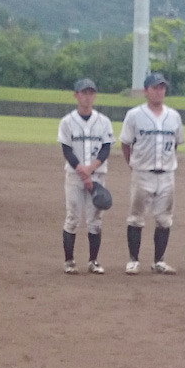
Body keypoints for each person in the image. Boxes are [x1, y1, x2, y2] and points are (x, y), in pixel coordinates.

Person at [120, 71, 184, 275]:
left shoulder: (173, 116)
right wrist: (133, 164)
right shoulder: (134, 115)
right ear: (146, 91)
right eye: (155, 88)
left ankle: (159, 261)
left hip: (166, 174)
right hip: (142, 173)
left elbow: (176, 144)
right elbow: (126, 143)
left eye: (162, 88)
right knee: (136, 218)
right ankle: (133, 260)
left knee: (164, 219)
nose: (159, 91)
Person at [58, 78, 115, 275]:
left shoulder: (103, 122)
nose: (87, 97)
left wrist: (91, 168)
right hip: (74, 176)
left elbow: (106, 148)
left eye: (91, 93)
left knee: (95, 220)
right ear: (76, 95)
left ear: (94, 96)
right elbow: (66, 150)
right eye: (84, 93)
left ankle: (93, 261)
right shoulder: (67, 122)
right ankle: (69, 261)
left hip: (97, 175)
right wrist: (82, 170)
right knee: (72, 217)